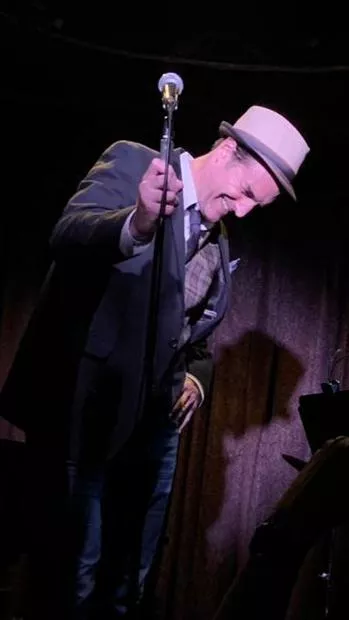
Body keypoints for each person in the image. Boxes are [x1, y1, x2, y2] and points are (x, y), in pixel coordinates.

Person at [0, 104, 310, 619]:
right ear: (230, 150)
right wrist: (137, 223)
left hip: (153, 430)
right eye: (249, 193)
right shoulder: (134, 164)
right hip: (88, 414)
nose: (244, 211)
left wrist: (195, 375)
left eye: (259, 206)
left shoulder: (216, 238)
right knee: (71, 575)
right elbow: (69, 234)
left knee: (129, 581)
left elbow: (192, 334)